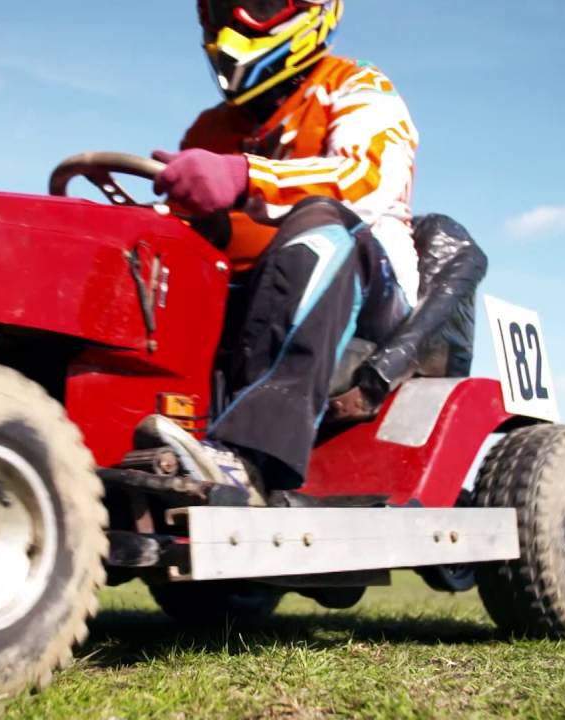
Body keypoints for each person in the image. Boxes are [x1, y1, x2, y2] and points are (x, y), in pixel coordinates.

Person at [134, 0, 420, 504]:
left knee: (321, 226)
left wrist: (247, 175)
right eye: (219, 10)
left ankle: (250, 457)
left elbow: (365, 180)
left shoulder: (357, 86)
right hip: (253, 285)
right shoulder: (210, 128)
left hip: (368, 288)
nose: (233, 24)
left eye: (257, 5)